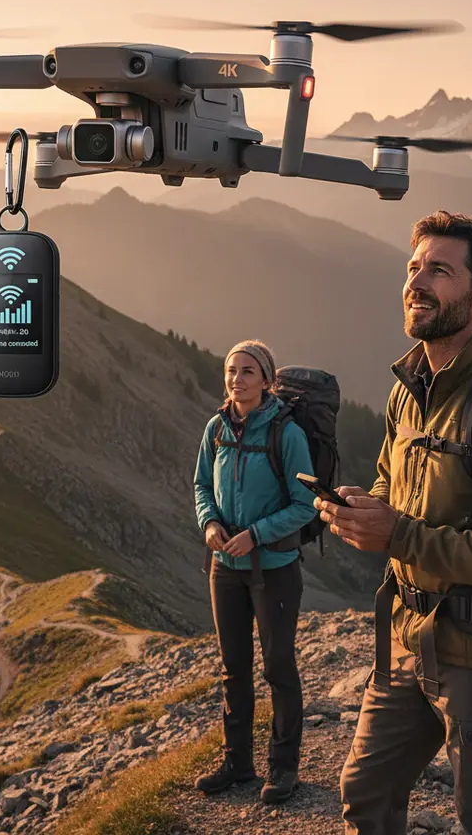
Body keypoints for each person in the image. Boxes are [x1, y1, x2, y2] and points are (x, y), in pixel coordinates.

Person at [316, 211, 472, 835]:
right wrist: (366, 508)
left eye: (439, 271)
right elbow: (390, 481)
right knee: (366, 794)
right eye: (413, 267)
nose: (417, 282)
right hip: (409, 638)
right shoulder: (409, 387)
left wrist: (397, 536)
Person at [193, 339, 318, 804]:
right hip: (225, 567)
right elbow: (201, 485)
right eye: (231, 370)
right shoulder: (216, 428)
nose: (236, 379)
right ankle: (237, 763)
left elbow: (306, 503)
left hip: (274, 569)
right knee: (234, 669)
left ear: (267, 380)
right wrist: (209, 523)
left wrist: (256, 534)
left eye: (247, 371)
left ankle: (284, 768)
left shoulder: (287, 434)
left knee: (279, 668)